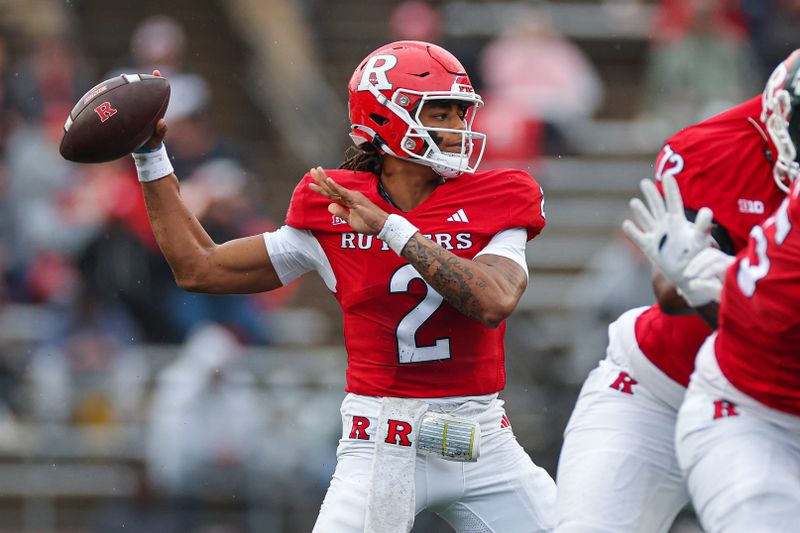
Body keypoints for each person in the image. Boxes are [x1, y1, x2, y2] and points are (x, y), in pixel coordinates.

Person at [126, 41, 555, 532]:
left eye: (461, 113)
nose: (458, 129)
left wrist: (392, 228)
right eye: (440, 112)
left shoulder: (498, 195)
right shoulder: (333, 206)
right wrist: (150, 155)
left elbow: (495, 299)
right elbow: (199, 268)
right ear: (385, 119)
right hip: (380, 442)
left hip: (482, 440)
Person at [554, 50, 797, 532]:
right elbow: (672, 287)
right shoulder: (713, 148)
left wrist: (717, 273)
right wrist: (707, 272)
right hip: (662, 389)